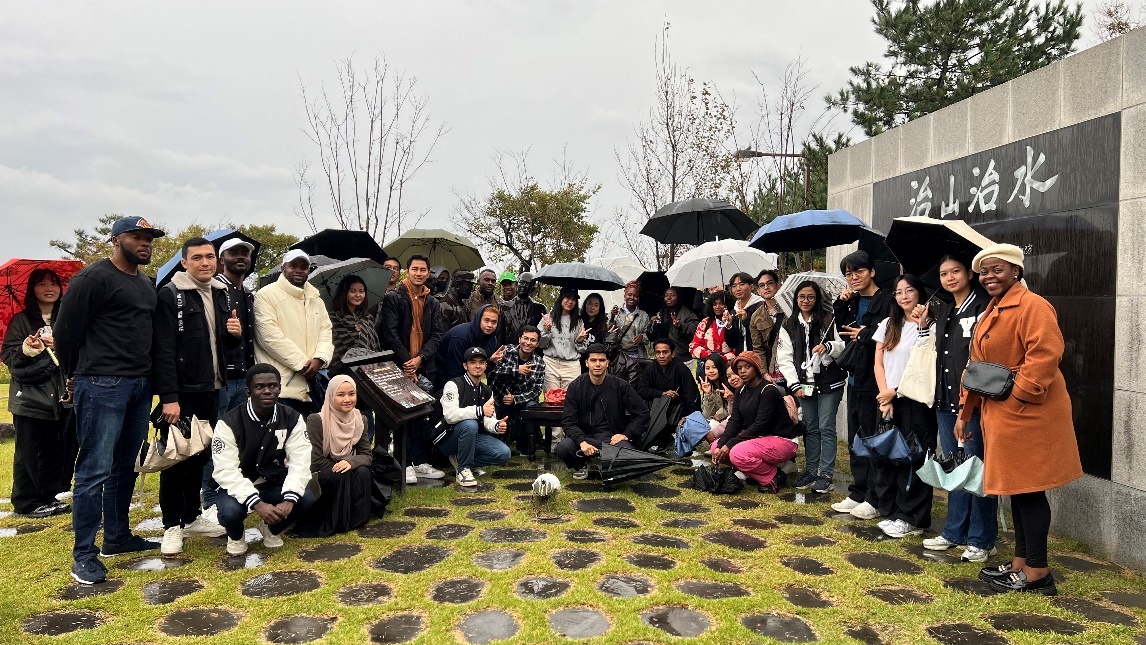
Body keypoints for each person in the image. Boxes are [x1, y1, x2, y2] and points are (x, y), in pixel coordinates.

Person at [960, 244, 1082, 596]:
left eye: (997, 269)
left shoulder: (1033, 305)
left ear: (1016, 271)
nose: (989, 277)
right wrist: (968, 410)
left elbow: (1045, 354)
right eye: (984, 272)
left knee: (1029, 490)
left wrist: (1018, 395)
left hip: (1029, 411)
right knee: (1017, 488)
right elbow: (980, 366)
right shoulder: (992, 309)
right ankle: (1020, 562)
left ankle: (1038, 572)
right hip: (1002, 411)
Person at [55, 215, 165, 584]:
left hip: (139, 384)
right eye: (137, 236)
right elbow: (66, 332)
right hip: (101, 383)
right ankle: (83, 555)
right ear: (116, 240)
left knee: (124, 465)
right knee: (94, 470)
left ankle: (117, 537)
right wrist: (74, 376)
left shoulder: (147, 284)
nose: (145, 243)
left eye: (149, 238)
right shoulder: (93, 278)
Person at [153, 237, 238, 554]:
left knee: (200, 453)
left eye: (210, 257)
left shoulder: (219, 292)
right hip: (182, 393)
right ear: (184, 263)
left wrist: (233, 337)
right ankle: (171, 525)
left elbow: (219, 347)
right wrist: (169, 397)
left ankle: (191, 518)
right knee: (176, 456)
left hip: (211, 387)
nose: (205, 262)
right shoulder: (170, 295)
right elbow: (163, 349)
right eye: (198, 257)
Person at [917, 256, 997, 562]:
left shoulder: (984, 307)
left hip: (974, 403)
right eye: (943, 273)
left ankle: (981, 538)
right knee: (955, 469)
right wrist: (924, 325)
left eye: (955, 272)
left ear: (969, 274)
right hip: (945, 401)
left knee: (976, 472)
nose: (949, 278)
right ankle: (954, 532)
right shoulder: (944, 309)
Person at [211, 364, 317, 556]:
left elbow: (300, 461)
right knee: (229, 511)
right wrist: (257, 504)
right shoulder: (228, 423)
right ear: (248, 391)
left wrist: (289, 499)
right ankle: (235, 536)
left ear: (279, 388)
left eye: (273, 386)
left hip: (273, 481)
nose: (267, 391)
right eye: (259, 387)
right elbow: (225, 471)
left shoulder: (292, 418)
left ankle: (270, 529)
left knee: (305, 497)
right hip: (240, 483)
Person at [1, 268, 74, 519]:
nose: (49, 289)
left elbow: (79, 353)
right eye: (42, 284)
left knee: (57, 449)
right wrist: (30, 349)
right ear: (33, 289)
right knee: (29, 452)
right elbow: (11, 359)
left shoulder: (66, 318)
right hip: (30, 399)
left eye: (54, 283)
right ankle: (26, 502)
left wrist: (62, 346)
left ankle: (49, 496)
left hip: (63, 398)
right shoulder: (21, 321)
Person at [870, 274, 937, 538]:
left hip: (915, 400)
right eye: (899, 292)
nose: (904, 296)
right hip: (888, 399)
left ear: (920, 293)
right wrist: (884, 395)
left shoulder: (930, 325)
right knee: (891, 457)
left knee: (914, 458)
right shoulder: (889, 323)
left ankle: (913, 518)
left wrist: (893, 393)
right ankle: (894, 510)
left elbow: (923, 366)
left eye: (910, 290)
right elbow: (879, 362)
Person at [829, 250, 894, 520]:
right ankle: (857, 491)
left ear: (872, 272)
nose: (854, 277)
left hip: (875, 380)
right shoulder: (854, 301)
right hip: (854, 377)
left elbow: (890, 334)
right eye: (848, 273)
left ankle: (874, 497)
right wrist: (842, 304)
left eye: (859, 271)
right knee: (856, 439)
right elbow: (844, 331)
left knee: (872, 439)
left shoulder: (889, 300)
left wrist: (866, 334)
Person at [376, 254, 447, 484]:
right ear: (407, 271)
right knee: (402, 415)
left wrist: (420, 359)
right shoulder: (394, 298)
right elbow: (390, 334)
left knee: (424, 414)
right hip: (398, 364)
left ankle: (421, 461)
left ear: (428, 273)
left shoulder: (432, 302)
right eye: (414, 269)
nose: (419, 273)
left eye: (423, 270)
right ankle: (403, 463)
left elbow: (437, 334)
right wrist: (408, 362)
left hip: (424, 365)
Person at [777, 281, 846, 496]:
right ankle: (810, 470)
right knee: (810, 427)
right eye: (801, 297)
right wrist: (794, 384)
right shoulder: (789, 324)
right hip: (803, 385)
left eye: (810, 297)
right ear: (796, 299)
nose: (805, 301)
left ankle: (826, 474)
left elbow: (843, 344)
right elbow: (784, 357)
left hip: (828, 383)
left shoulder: (829, 319)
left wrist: (828, 347)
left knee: (826, 426)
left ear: (817, 299)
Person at [253, 250, 334, 416]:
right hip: (280, 386)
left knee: (310, 439)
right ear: (283, 268)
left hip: (312, 388)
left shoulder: (315, 299)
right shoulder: (266, 295)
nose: (299, 270)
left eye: (304, 267)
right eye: (294, 266)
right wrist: (304, 364)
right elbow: (269, 338)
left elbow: (326, 331)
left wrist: (320, 358)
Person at [555, 344, 650, 479]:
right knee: (563, 448)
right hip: (585, 437)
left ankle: (607, 466)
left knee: (628, 454)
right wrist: (581, 442)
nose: (597, 364)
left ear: (607, 363)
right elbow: (568, 421)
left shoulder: (620, 385)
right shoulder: (576, 386)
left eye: (602, 360)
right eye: (593, 360)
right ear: (587, 363)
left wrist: (626, 434)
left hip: (612, 439)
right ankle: (582, 464)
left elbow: (643, 413)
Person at [295, 375, 372, 537]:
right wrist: (343, 465)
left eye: (352, 394)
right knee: (341, 473)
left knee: (363, 471)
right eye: (341, 395)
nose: (347, 399)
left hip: (343, 467)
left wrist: (350, 461)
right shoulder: (316, 420)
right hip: (319, 472)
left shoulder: (360, 419)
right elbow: (314, 462)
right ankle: (333, 522)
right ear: (330, 396)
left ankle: (356, 519)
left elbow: (367, 455)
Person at [713, 352, 799, 494]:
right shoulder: (741, 390)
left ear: (757, 368)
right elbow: (735, 421)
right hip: (759, 438)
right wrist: (722, 444)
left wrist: (730, 444)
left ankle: (774, 476)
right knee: (715, 448)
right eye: (739, 368)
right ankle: (752, 472)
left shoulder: (768, 390)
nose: (742, 371)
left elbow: (760, 425)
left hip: (783, 439)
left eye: (747, 367)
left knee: (736, 453)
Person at [436, 347, 512, 486]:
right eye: (473, 362)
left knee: (504, 453)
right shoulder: (453, 385)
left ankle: (462, 458)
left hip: (472, 435)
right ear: (465, 365)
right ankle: (463, 470)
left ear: (486, 365)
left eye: (481, 362)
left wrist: (496, 425)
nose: (478, 366)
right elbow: (449, 416)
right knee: (470, 424)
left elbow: (488, 417)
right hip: (448, 436)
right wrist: (479, 411)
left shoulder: (487, 390)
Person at [214, 238, 258, 416]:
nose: (240, 257)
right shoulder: (213, 289)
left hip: (244, 377)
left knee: (236, 435)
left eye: (245, 253)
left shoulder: (248, 293)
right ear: (222, 260)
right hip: (221, 380)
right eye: (233, 253)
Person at [487, 325, 546, 454]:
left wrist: (515, 399)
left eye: (533, 340)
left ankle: (525, 445)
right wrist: (516, 370)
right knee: (497, 439)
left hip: (521, 401)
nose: (528, 343)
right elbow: (492, 373)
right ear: (519, 339)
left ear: (537, 344)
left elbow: (536, 390)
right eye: (526, 338)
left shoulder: (539, 363)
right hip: (499, 396)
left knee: (531, 405)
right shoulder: (506, 351)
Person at [436, 304, 503, 388]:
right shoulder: (461, 336)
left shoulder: (492, 339)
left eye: (494, 322)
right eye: (486, 320)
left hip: (471, 377)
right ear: (479, 319)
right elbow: (454, 370)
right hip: (443, 375)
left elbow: (484, 367)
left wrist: (491, 360)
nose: (490, 325)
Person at [539, 289, 589, 401]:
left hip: (571, 365)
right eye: (567, 298)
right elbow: (540, 345)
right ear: (561, 298)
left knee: (571, 400)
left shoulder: (578, 321)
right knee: (551, 400)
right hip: (551, 363)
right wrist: (546, 331)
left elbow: (582, 349)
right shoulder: (548, 318)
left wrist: (580, 340)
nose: (570, 302)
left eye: (573, 299)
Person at [328, 275, 381, 376]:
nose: (358, 295)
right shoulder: (333, 318)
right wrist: (354, 332)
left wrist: (362, 331)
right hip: (343, 373)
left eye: (361, 291)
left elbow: (374, 346)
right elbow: (333, 348)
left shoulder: (367, 318)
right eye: (353, 291)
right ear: (344, 293)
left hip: (369, 371)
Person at [636, 340, 701, 415]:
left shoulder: (680, 368)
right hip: (656, 410)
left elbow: (692, 394)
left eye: (665, 352)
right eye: (658, 352)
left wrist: (691, 416)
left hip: (679, 410)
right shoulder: (651, 368)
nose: (661, 356)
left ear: (672, 354)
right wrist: (662, 394)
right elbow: (641, 389)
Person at [746, 270, 786, 375]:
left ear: (778, 285)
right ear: (758, 291)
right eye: (762, 285)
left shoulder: (790, 309)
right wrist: (764, 373)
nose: (766, 287)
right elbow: (758, 348)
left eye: (770, 283)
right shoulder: (755, 317)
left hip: (792, 363)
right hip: (772, 368)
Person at [691, 291, 738, 375]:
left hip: (729, 368)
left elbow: (737, 346)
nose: (717, 307)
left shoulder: (735, 321)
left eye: (721, 303)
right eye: (715, 304)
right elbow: (695, 345)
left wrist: (723, 358)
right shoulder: (705, 322)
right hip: (708, 368)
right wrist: (708, 355)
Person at [648, 287, 699, 362]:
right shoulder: (661, 313)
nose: (669, 298)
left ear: (678, 297)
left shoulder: (688, 314)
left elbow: (694, 333)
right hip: (663, 357)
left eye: (672, 295)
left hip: (682, 358)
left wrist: (680, 326)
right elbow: (651, 337)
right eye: (666, 295)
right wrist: (653, 324)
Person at [725, 272, 765, 355]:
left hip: (760, 355)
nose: (738, 289)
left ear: (751, 287)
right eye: (734, 286)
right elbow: (732, 344)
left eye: (742, 284)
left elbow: (763, 336)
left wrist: (746, 320)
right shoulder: (734, 311)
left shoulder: (761, 306)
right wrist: (729, 326)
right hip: (742, 357)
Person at [606, 281, 649, 359]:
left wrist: (642, 337)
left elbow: (649, 335)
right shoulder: (616, 312)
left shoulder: (644, 316)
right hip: (619, 355)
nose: (632, 298)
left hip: (637, 355)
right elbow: (607, 331)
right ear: (624, 295)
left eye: (635, 296)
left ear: (638, 298)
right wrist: (612, 317)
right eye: (629, 294)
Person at [503, 272, 547, 345]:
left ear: (532, 288)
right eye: (521, 282)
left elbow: (542, 333)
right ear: (517, 284)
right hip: (509, 351)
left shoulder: (540, 308)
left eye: (527, 284)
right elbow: (501, 334)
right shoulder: (505, 307)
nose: (523, 286)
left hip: (531, 351)